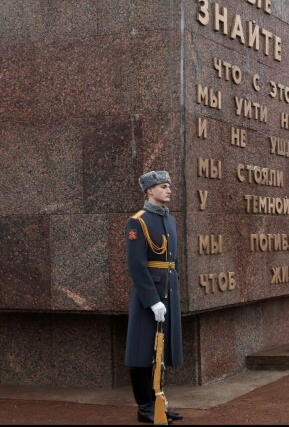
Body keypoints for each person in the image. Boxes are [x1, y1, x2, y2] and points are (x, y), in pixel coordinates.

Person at [125, 171, 184, 423]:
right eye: (162, 186)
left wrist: (174, 287)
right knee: (142, 352)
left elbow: (173, 261)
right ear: (149, 191)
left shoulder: (170, 221)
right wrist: (152, 300)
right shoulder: (138, 222)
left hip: (169, 291)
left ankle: (159, 401)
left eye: (169, 185)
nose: (169, 189)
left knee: (160, 351)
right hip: (148, 295)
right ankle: (145, 407)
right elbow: (137, 266)